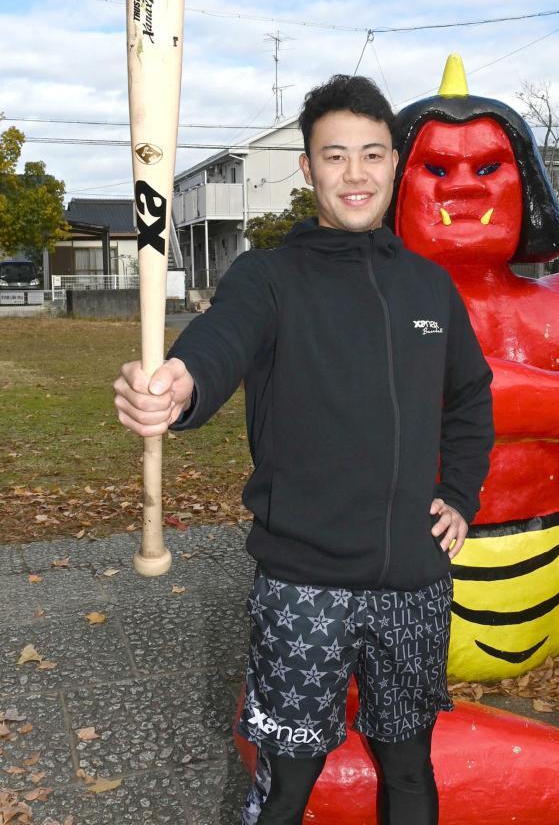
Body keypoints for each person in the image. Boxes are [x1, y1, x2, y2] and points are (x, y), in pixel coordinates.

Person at [112, 74, 495, 825]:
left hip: (415, 583)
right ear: (308, 168)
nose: (356, 174)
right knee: (285, 786)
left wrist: (461, 493)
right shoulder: (268, 279)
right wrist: (179, 385)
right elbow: (220, 343)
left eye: (373, 155)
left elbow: (471, 398)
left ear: (395, 163)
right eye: (335, 156)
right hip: (304, 588)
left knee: (410, 771)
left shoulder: (429, 287)